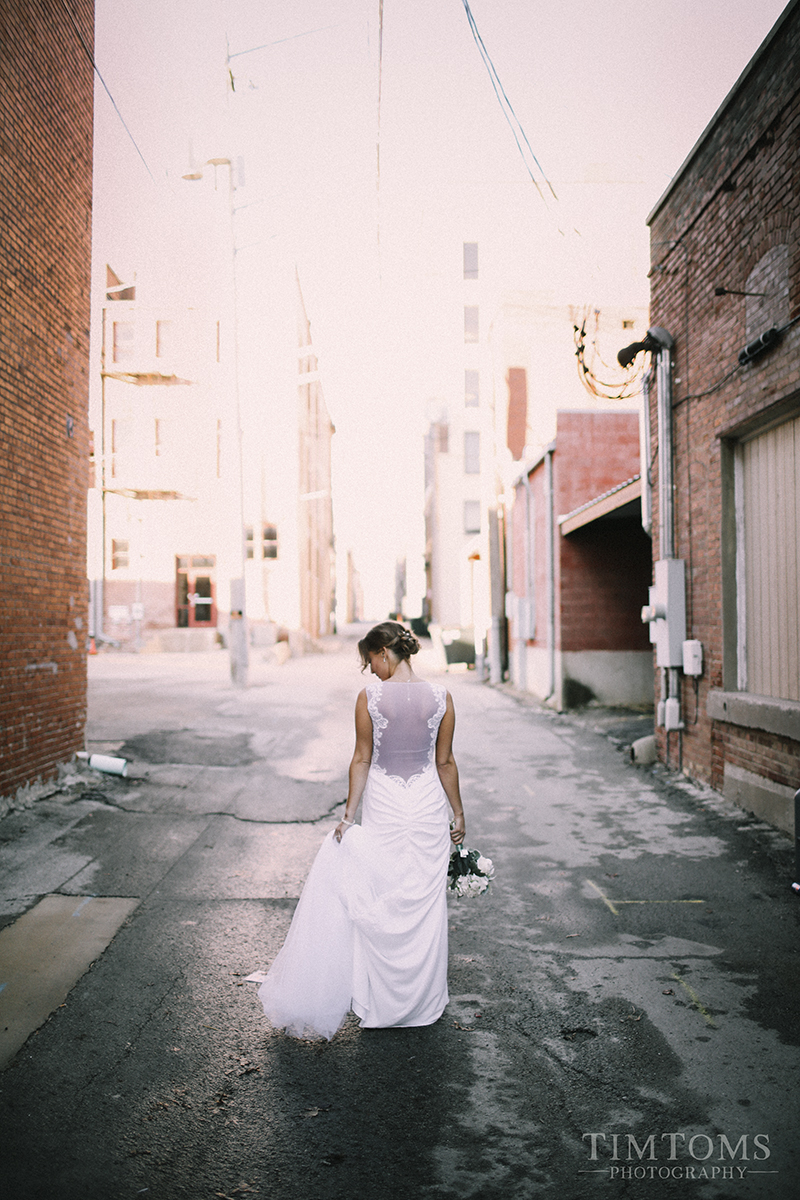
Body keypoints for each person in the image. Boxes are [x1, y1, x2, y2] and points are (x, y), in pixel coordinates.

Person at [258, 620, 466, 1039]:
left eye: (370, 661)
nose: (370, 671)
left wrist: (349, 815)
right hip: (426, 806)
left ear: (384, 652)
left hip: (387, 804)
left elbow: (361, 758)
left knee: (383, 894)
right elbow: (445, 762)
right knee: (424, 906)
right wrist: (458, 814)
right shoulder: (443, 697)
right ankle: (423, 1003)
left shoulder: (369, 698)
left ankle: (382, 1002)